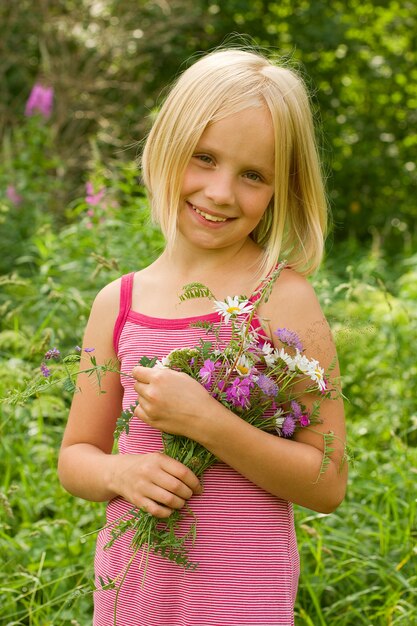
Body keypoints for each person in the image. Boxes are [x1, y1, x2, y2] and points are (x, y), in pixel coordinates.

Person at [58, 47, 347, 626]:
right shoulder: (119, 303)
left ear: (281, 188)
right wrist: (118, 472)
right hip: (136, 584)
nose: (219, 192)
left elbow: (327, 480)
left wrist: (208, 423)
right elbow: (75, 457)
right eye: (204, 158)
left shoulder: (281, 298)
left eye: (252, 175)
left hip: (240, 598)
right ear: (168, 147)